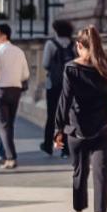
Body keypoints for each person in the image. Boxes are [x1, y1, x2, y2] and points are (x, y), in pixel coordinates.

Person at [53, 25, 107, 212]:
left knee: (80, 172)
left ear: (79, 45)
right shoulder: (106, 65)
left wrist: (58, 130)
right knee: (102, 173)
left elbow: (64, 100)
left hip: (77, 129)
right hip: (106, 127)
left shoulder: (71, 68)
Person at [0, 23, 30, 169]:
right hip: (16, 90)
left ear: (3, 36)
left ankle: (11, 157)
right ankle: (6, 155)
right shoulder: (19, 51)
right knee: (9, 125)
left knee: (3, 126)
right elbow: (25, 74)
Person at [41, 19, 74, 157]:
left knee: (52, 116)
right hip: (69, 85)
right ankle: (65, 149)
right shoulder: (73, 44)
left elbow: (45, 63)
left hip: (53, 84)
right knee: (66, 116)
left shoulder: (51, 44)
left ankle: (48, 145)